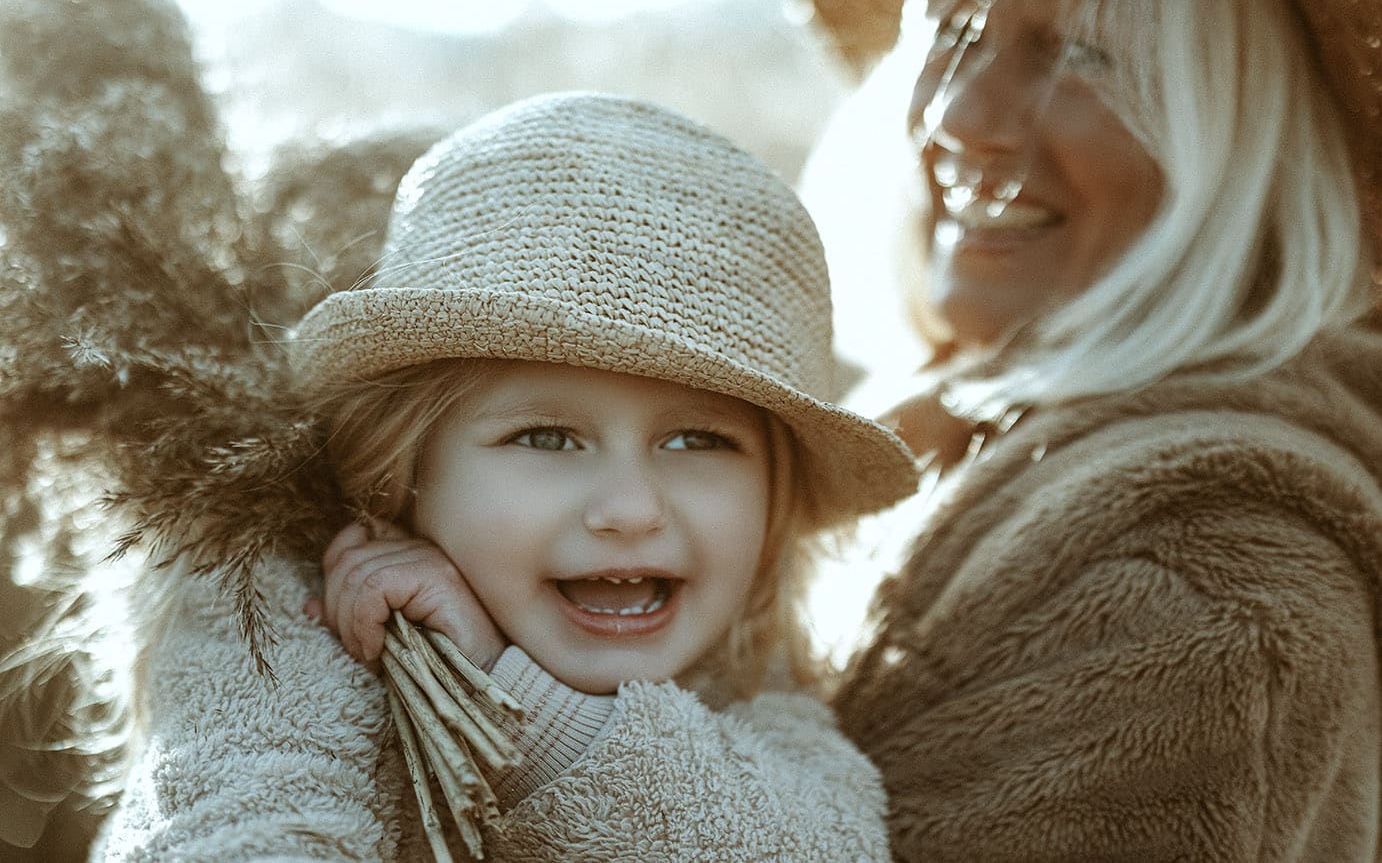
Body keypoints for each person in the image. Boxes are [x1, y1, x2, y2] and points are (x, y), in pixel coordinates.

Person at [95, 91, 920, 861]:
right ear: (399, 469)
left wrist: (501, 688)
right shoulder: (283, 615)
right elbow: (242, 821)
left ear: (775, 495)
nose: (631, 509)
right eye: (548, 437)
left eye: (696, 440)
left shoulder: (761, 692)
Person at [786, 0, 1382, 858]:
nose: (959, 117)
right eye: (952, 29)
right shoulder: (937, 427)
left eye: (1079, 49)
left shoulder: (1196, 592)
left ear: (1246, 127)